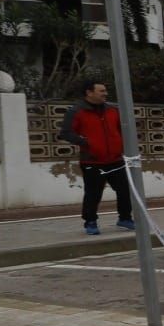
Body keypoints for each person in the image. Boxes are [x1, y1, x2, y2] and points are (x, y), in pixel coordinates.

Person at [59, 80, 131, 236]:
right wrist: (87, 142)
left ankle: (125, 218)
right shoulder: (76, 111)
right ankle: (90, 221)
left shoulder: (113, 110)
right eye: (101, 91)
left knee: (125, 190)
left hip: (116, 159)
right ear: (89, 92)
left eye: (105, 90)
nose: (105, 93)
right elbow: (65, 133)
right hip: (92, 161)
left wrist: (121, 145)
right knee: (93, 193)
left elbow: (122, 129)